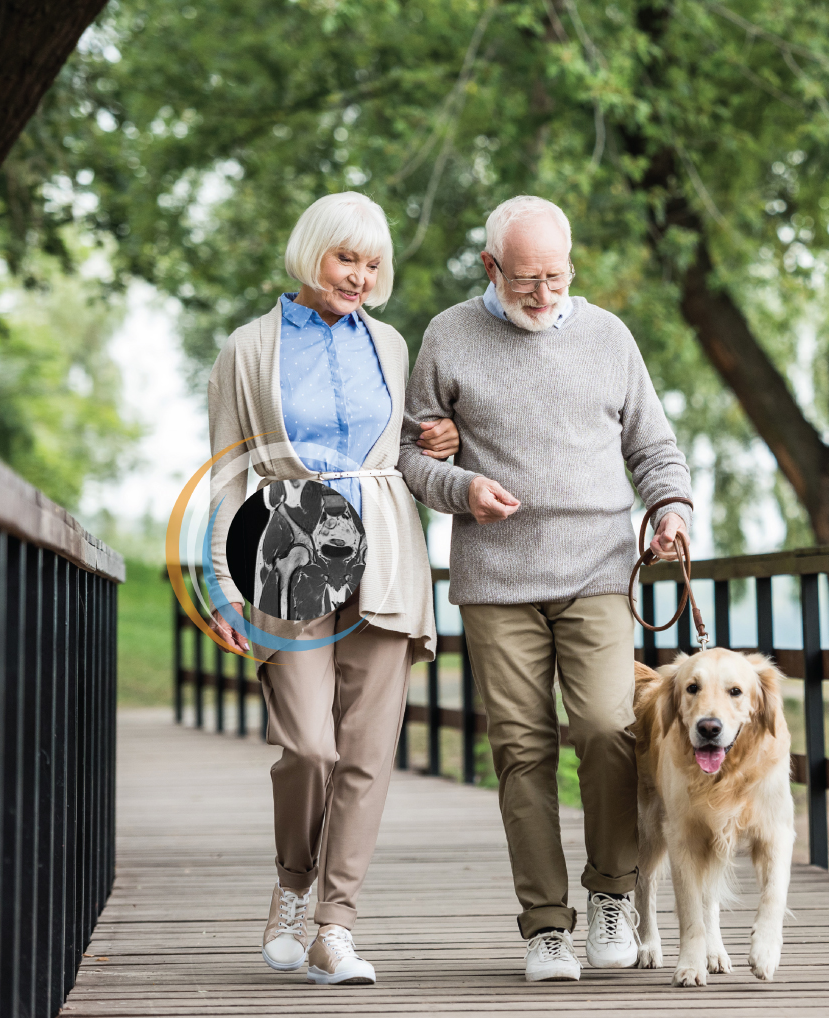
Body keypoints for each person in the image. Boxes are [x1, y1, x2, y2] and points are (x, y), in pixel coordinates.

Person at [401, 195, 692, 982]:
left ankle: (612, 893)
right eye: (525, 279)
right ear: (491, 267)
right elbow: (407, 453)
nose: (542, 294)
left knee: (605, 727)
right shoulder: (449, 335)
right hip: (496, 576)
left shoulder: (607, 336)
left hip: (597, 566)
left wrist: (669, 510)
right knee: (521, 748)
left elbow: (654, 447)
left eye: (556, 277)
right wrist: (460, 487)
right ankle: (544, 926)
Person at [206, 191, 458, 986]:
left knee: (366, 752)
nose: (359, 275)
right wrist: (220, 581)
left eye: (372, 263)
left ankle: (334, 925)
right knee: (310, 745)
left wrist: (440, 439)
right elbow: (225, 470)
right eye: (346, 257)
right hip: (286, 543)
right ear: (311, 251)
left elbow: (408, 441)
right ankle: (290, 885)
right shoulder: (250, 349)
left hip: (383, 546)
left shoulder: (390, 342)